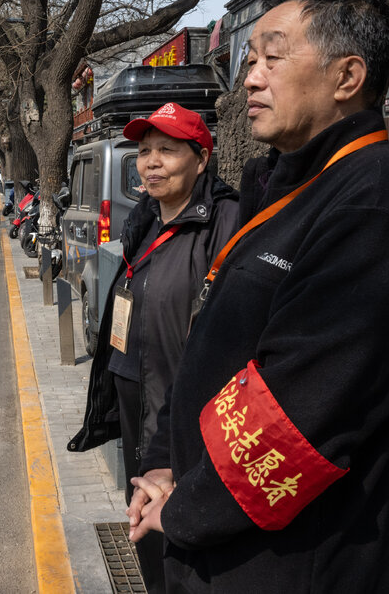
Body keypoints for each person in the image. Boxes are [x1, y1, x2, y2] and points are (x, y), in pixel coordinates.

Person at [127, 0, 389, 592]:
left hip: (297, 558)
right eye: (249, 61)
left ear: (347, 76)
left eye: (273, 58)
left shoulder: (376, 198)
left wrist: (187, 506)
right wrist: (164, 462)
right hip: (219, 530)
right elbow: (210, 346)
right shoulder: (285, 185)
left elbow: (310, 402)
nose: (250, 78)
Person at [69, 102, 240, 593]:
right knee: (142, 508)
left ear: (201, 159)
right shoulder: (144, 218)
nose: (152, 162)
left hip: (182, 401)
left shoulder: (224, 220)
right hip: (135, 388)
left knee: (178, 518)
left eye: (168, 150)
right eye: (144, 152)